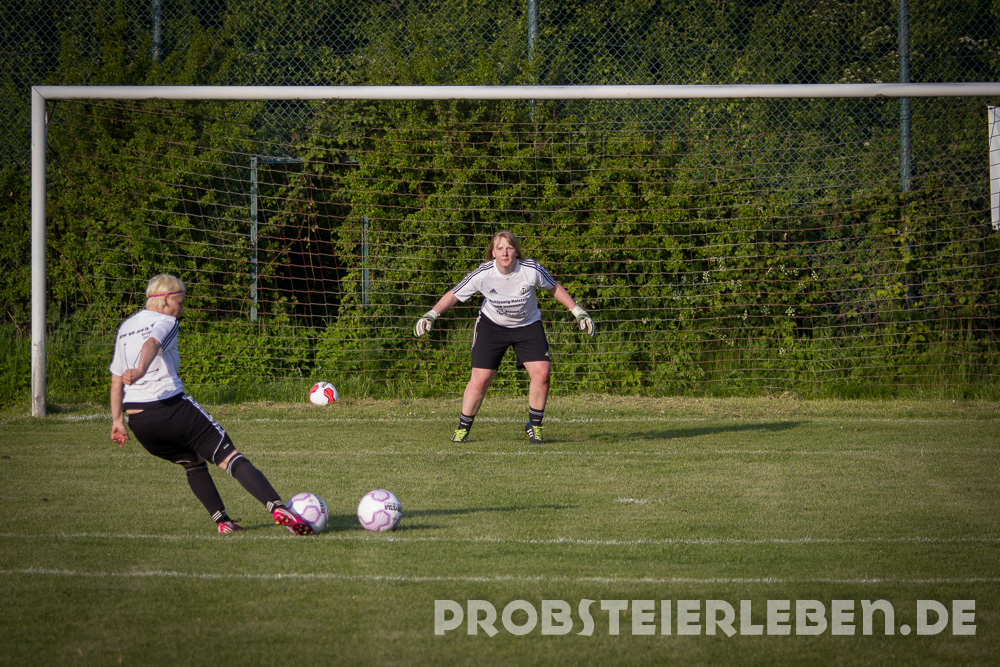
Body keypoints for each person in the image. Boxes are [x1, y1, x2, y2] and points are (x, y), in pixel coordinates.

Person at [110, 274, 315, 535]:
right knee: (230, 457)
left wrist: (117, 421)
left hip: (140, 423)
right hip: (171, 409)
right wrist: (141, 370)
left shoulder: (126, 327)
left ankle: (224, 523)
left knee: (193, 462)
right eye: (180, 303)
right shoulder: (166, 321)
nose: (181, 310)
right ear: (166, 300)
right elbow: (152, 342)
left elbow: (116, 380)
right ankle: (278, 507)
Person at [414, 230, 594, 444]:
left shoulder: (531, 270)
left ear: (516, 251)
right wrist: (432, 314)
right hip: (492, 326)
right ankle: (463, 429)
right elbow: (454, 294)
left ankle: (534, 426)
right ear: (493, 253)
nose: (505, 253)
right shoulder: (483, 274)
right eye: (500, 248)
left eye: (509, 248)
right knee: (480, 380)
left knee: (542, 373)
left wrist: (577, 311)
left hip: (527, 326)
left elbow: (553, 287)